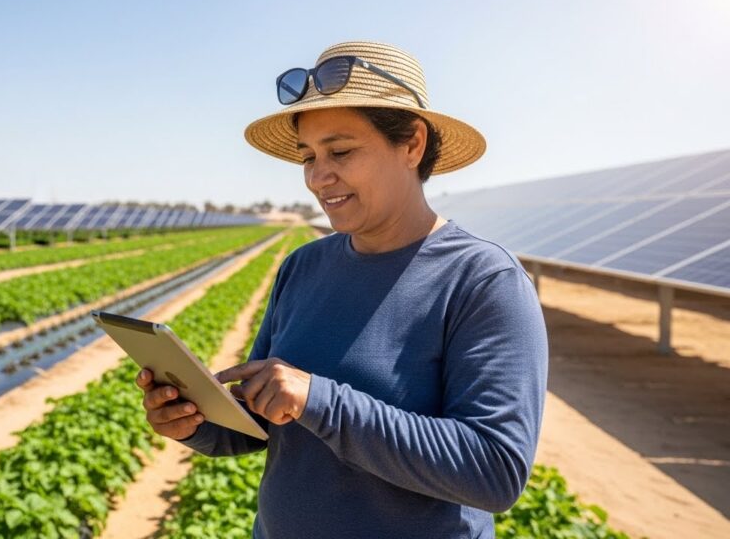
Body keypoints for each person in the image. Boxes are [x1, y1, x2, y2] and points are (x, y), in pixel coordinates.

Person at [135, 41, 548, 538]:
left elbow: (494, 471)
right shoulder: (303, 267)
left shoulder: (481, 280)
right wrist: (195, 420)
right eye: (308, 157)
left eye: (341, 151)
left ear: (412, 145)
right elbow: (264, 418)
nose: (317, 177)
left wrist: (323, 401)